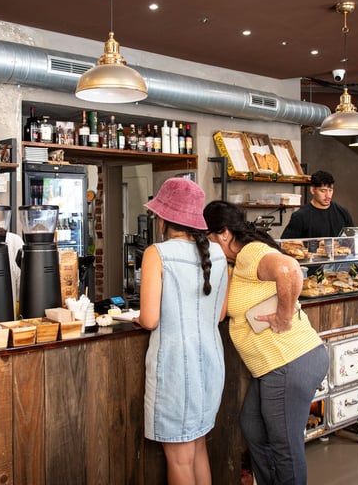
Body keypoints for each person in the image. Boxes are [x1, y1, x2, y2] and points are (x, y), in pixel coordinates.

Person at [203, 200, 329, 485]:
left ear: (223, 233)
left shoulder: (251, 252)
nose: (206, 245)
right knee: (253, 427)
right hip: (273, 367)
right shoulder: (237, 262)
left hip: (289, 360)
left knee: (285, 445)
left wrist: (284, 316)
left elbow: (290, 270)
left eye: (207, 238)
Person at [134, 178, 229, 485]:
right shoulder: (217, 253)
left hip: (176, 368)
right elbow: (220, 314)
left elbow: (148, 320)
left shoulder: (157, 253)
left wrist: (134, 319)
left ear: (163, 218)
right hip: (211, 364)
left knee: (178, 457)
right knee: (198, 446)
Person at [281, 170, 353, 238]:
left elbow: (352, 240)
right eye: (323, 191)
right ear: (312, 190)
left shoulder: (343, 212)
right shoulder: (300, 216)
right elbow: (286, 244)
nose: (328, 195)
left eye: (330, 190)